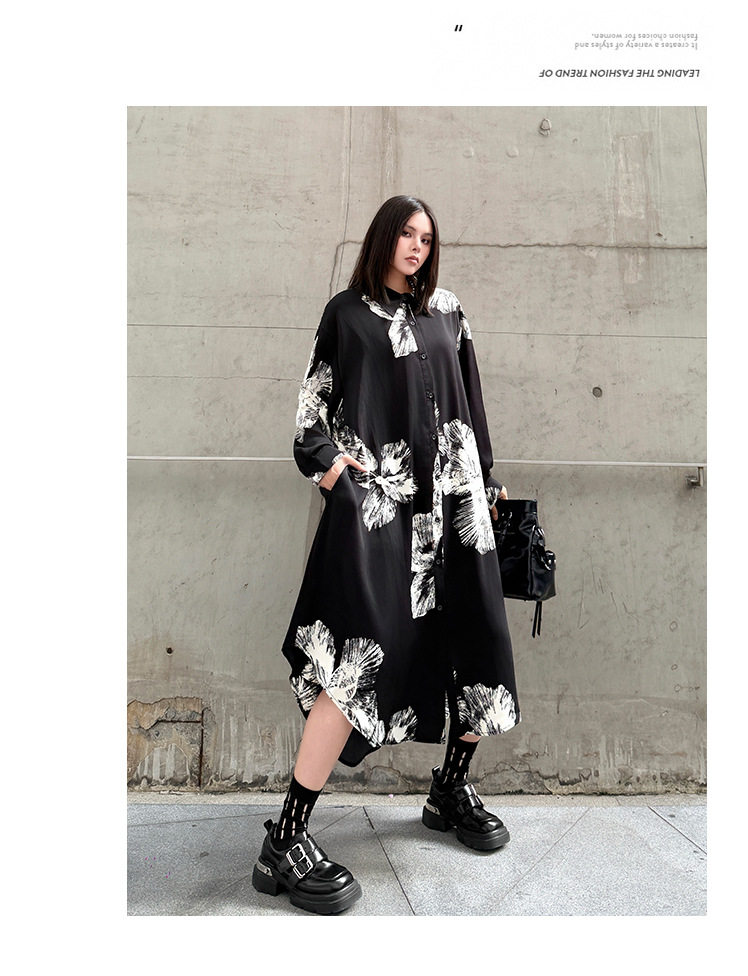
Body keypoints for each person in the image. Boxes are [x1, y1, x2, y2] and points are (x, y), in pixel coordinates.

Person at [251, 194, 521, 915]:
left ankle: (450, 788)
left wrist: (486, 481)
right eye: (406, 234)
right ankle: (285, 836)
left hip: (455, 510)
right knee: (354, 664)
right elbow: (311, 416)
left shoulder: (449, 312)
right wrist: (337, 477)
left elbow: (472, 405)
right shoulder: (346, 315)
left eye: (426, 238)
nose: (417, 247)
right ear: (383, 238)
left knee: (479, 648)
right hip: (383, 515)